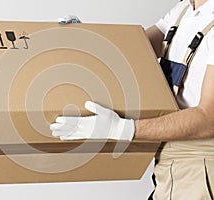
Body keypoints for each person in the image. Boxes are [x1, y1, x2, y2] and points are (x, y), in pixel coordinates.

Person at [51, 0, 214, 199]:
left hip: (201, 166)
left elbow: (209, 119)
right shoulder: (183, 11)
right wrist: (86, 39)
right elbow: (131, 51)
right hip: (169, 165)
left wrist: (122, 129)